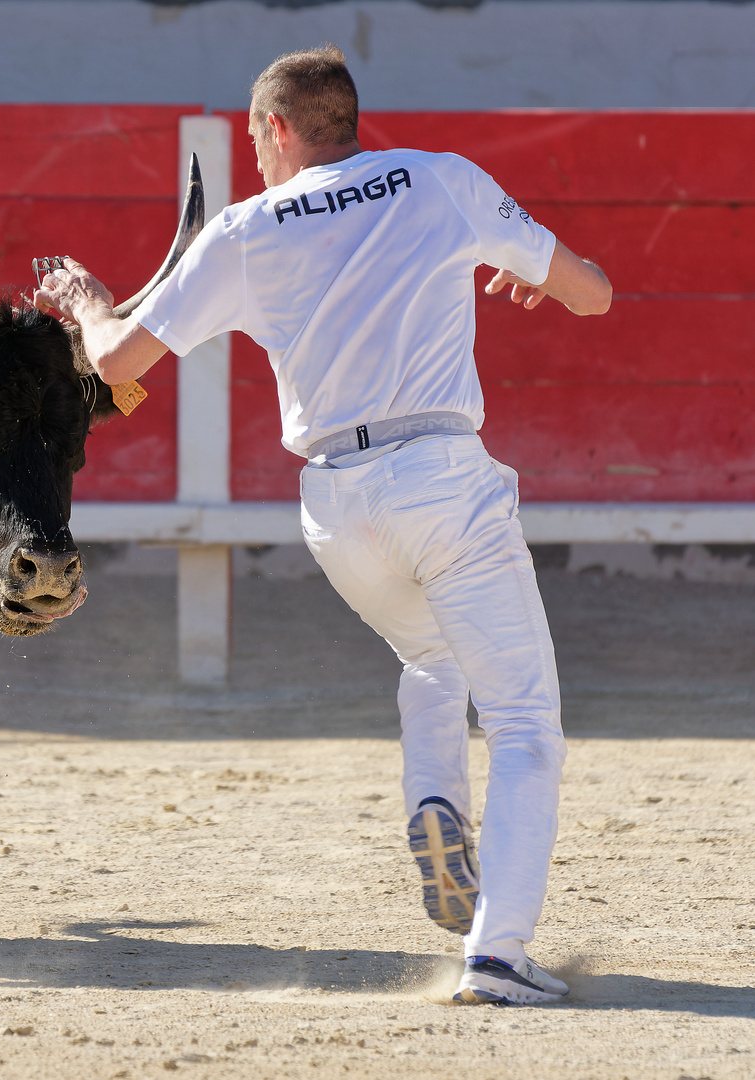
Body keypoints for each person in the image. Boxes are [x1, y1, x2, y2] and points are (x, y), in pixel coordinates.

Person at [34, 44, 611, 1005]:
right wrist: (538, 278)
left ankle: (434, 801)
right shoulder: (440, 180)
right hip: (439, 480)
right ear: (346, 118)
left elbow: (115, 357)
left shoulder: (244, 229)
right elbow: (591, 289)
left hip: (336, 507)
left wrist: (86, 299)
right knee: (522, 723)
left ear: (273, 127)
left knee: (432, 659)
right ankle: (498, 957)